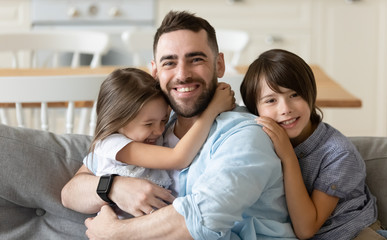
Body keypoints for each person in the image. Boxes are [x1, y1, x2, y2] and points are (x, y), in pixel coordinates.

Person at [61, 11, 297, 239]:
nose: (182, 74)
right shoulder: (155, 129)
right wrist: (114, 188)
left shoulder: (245, 136)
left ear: (219, 65)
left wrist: (114, 233)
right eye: (169, 63)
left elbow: (203, 219)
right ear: (155, 72)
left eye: (196, 59)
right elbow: (71, 192)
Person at [240, 49, 387, 240]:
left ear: (310, 94)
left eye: (294, 95)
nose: (285, 109)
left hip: (353, 234)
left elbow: (306, 229)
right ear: (255, 110)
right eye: (271, 100)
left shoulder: (339, 154)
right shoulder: (256, 139)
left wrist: (288, 156)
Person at [83, 67, 235, 218]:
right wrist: (212, 110)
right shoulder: (112, 144)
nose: (159, 130)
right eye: (148, 124)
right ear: (118, 121)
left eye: (163, 120)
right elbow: (178, 158)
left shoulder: (153, 138)